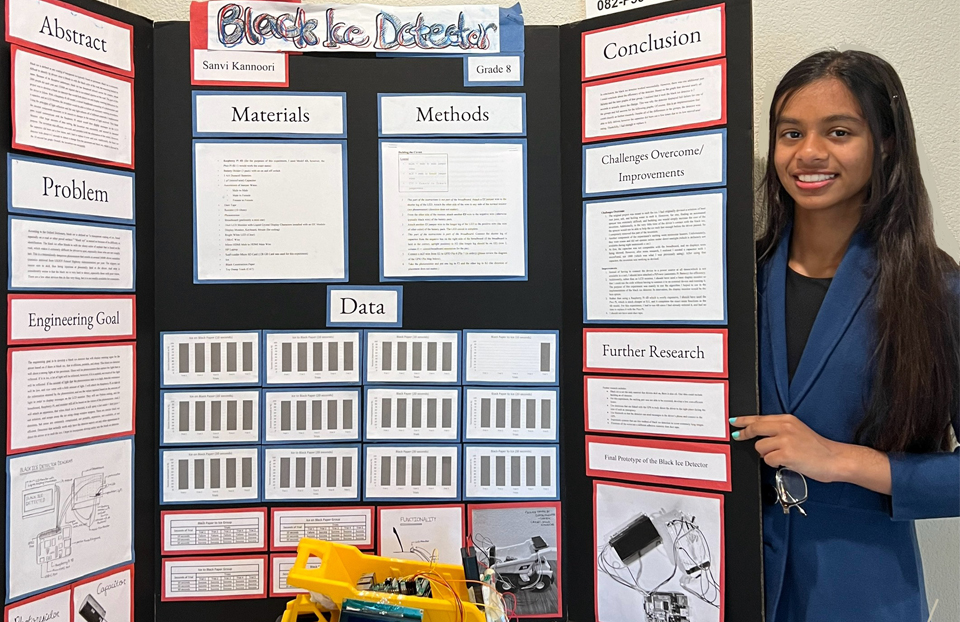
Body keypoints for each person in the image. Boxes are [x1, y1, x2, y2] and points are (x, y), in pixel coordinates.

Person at [729, 50, 960, 621]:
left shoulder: (935, 289)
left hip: (863, 595)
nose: (808, 153)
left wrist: (842, 461)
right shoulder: (735, 286)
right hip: (731, 588)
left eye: (838, 131)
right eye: (790, 133)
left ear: (884, 145)